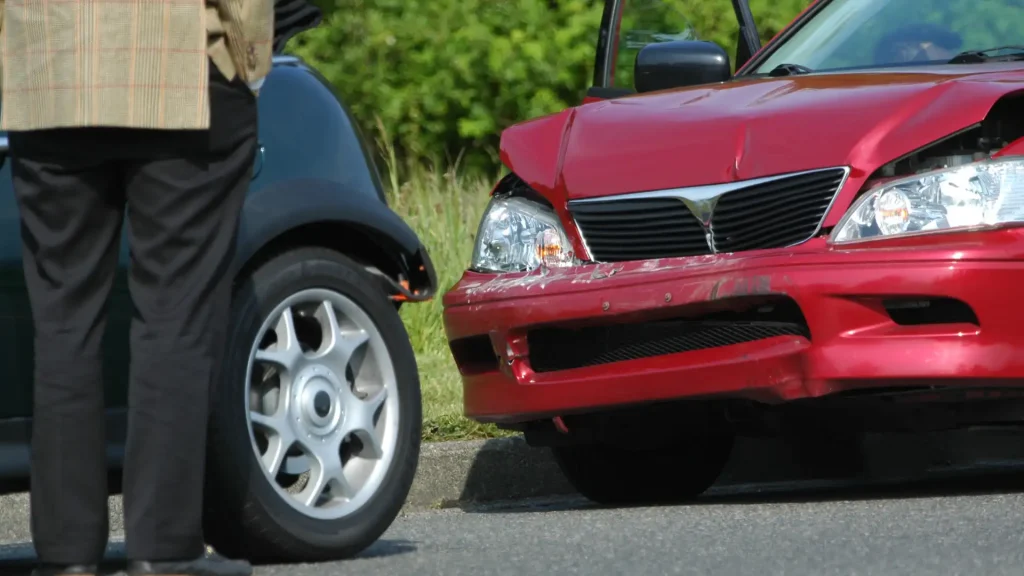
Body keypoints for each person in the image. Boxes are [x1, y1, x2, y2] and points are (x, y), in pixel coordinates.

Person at [0, 1, 273, 575]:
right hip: (175, 65)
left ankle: (66, 553)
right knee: (176, 313)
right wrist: (248, 61)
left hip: (47, 73)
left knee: (61, 319)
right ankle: (164, 547)